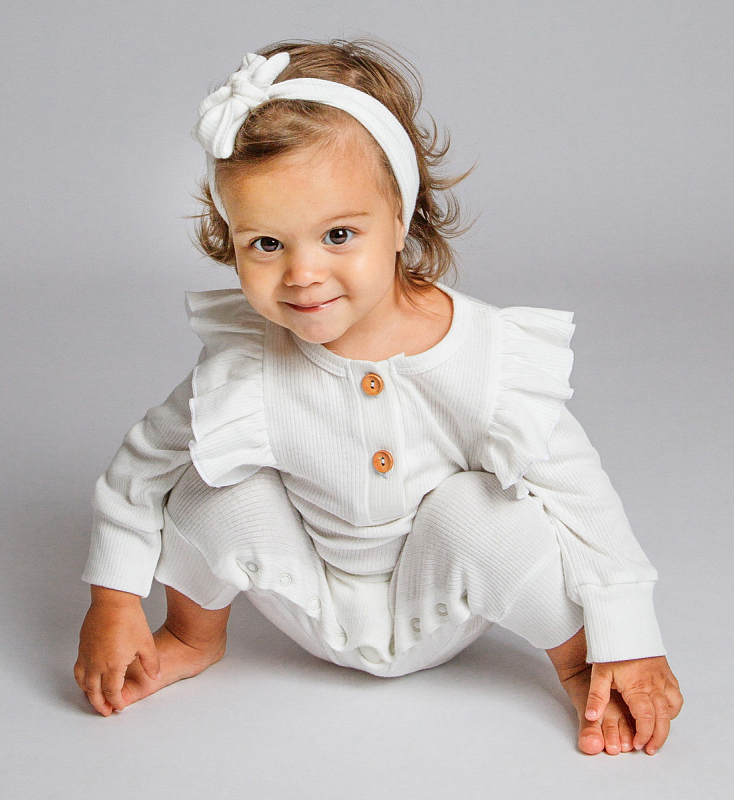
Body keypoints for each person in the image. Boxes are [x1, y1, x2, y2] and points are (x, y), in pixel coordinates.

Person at [74, 38, 683, 755]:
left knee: (484, 509)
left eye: (338, 234)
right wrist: (112, 597)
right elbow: (141, 466)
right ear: (228, 237)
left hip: (442, 601)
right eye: (265, 244)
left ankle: (579, 664)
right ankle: (191, 637)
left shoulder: (481, 355)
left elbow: (580, 496)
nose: (302, 274)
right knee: (213, 487)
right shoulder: (249, 362)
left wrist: (631, 638)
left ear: (400, 218)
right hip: (306, 598)